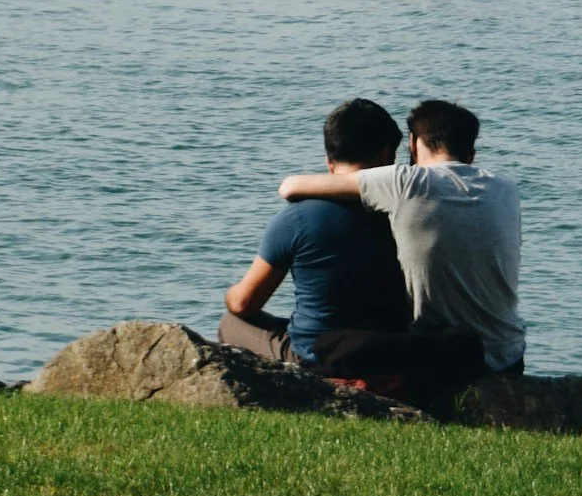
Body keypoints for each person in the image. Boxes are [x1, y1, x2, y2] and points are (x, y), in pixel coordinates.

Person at [276, 97, 525, 380]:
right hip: (508, 356)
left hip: (445, 358)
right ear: (471, 153)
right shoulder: (506, 190)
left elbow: (290, 186)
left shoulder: (405, 182)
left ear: (413, 142)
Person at [219, 97, 411, 366]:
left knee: (231, 322)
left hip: (319, 356)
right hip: (392, 352)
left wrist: (229, 293)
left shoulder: (297, 218)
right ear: (385, 155)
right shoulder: (409, 212)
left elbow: (243, 303)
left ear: (329, 161)